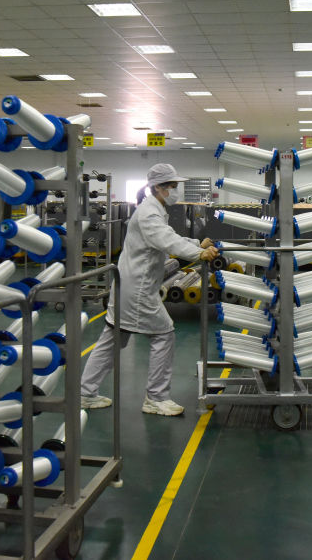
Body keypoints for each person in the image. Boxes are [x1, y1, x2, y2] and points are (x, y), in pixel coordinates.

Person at [80, 163, 219, 416]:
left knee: (111, 340)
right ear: (158, 188)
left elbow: (168, 235)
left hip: (128, 285)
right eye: (172, 186)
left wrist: (197, 243)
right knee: (164, 334)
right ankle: (156, 397)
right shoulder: (149, 213)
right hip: (138, 290)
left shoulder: (154, 209)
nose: (176, 191)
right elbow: (166, 240)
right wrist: (198, 253)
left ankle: (85, 393)